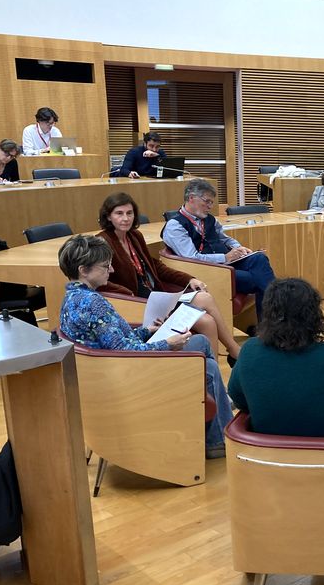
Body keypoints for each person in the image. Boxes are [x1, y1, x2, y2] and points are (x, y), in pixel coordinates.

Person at [57, 234, 232, 458]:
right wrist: (167, 344)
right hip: (130, 376)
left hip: (113, 369)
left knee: (201, 343)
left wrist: (146, 331)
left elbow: (113, 339)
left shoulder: (73, 298)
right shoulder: (92, 303)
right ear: (83, 270)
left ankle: (218, 432)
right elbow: (125, 352)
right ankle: (218, 437)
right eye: (105, 266)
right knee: (207, 364)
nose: (111, 270)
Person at [95, 192, 242, 362]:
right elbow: (102, 282)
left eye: (129, 213)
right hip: (137, 304)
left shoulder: (134, 236)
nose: (125, 218)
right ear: (108, 216)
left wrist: (188, 279)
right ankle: (224, 360)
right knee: (207, 320)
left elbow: (155, 266)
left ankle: (225, 359)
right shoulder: (103, 242)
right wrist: (129, 295)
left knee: (205, 301)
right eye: (119, 214)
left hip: (158, 298)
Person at [228, 278, 324, 437]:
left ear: (268, 314)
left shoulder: (249, 350)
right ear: (315, 315)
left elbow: (239, 399)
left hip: (268, 456)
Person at [162, 178, 276, 312]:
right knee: (257, 279)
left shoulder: (209, 219)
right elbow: (191, 258)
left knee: (259, 258)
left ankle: (273, 316)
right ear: (191, 198)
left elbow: (224, 238)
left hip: (226, 262)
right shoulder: (175, 226)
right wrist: (225, 258)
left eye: (212, 202)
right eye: (207, 202)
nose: (210, 207)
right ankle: (277, 314)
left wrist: (238, 247)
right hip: (209, 269)